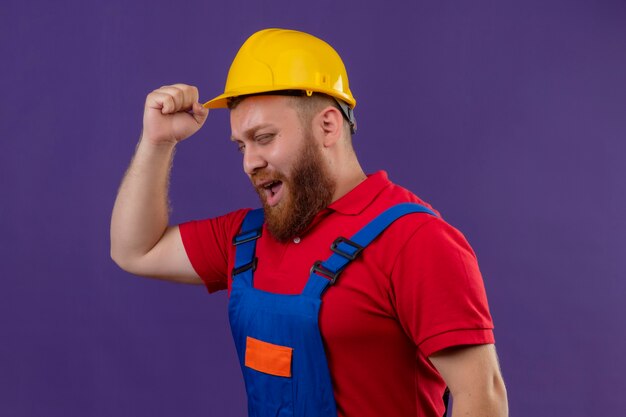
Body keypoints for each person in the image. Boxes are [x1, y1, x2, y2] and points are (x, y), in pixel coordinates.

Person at [110, 28, 508, 417]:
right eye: (241, 146)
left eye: (264, 137)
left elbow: (483, 398)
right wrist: (157, 143)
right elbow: (136, 251)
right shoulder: (247, 238)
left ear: (328, 126)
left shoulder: (416, 240)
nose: (249, 162)